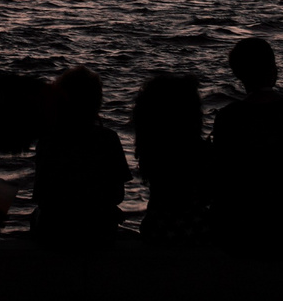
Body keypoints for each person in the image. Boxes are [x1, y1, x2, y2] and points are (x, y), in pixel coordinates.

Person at [211, 37, 283, 256]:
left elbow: (222, 179)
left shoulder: (230, 117)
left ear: (238, 74)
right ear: (273, 69)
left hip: (244, 233)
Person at [32, 65, 131, 248]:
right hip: (98, 232)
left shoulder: (48, 140)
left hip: (55, 232)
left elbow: (40, 195)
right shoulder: (108, 138)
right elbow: (117, 195)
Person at [132, 73, 212, 246]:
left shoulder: (151, 147)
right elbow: (208, 195)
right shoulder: (200, 149)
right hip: (197, 229)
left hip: (157, 229)